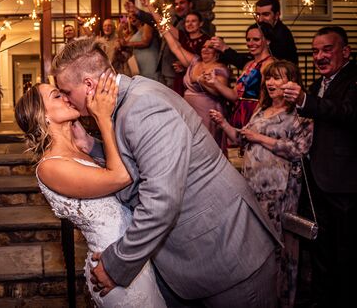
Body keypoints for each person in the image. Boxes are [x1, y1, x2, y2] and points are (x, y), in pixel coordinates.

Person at [52, 38, 279, 307]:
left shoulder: (143, 106)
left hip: (227, 255)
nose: (66, 99)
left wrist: (116, 264)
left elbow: (161, 200)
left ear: (89, 85)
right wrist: (92, 145)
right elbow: (136, 161)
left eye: (66, 91)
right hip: (198, 258)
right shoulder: (128, 99)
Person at [15, 74, 165, 307]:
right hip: (112, 264)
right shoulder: (50, 166)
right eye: (57, 96)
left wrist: (88, 140)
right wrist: (103, 118)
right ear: (42, 115)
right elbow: (121, 176)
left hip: (134, 253)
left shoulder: (79, 149)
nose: (67, 98)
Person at [210, 61, 313, 308]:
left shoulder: (299, 114)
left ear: (292, 82)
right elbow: (242, 139)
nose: (271, 83)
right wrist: (224, 123)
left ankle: (281, 300)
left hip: (280, 192)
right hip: (252, 188)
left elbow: (299, 150)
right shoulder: (261, 108)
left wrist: (260, 138)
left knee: (279, 247)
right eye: (269, 78)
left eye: (278, 78)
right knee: (256, 245)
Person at [281, 26, 357, 308]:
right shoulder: (317, 85)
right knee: (320, 249)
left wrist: (305, 100)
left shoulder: (352, 80)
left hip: (344, 183)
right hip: (318, 180)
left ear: (345, 51)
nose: (319, 56)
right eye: (314, 51)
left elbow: (346, 113)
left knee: (345, 252)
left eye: (327, 49)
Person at [156, 12, 235, 153]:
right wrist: (165, 31)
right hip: (189, 110)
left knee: (206, 146)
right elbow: (176, 47)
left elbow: (219, 91)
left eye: (210, 47)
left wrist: (202, 81)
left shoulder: (220, 69)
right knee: (190, 145)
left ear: (217, 52)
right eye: (204, 47)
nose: (205, 49)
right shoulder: (195, 62)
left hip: (208, 112)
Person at [210, 0, 298, 69]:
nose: (260, 19)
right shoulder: (259, 28)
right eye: (257, 15)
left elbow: (251, 64)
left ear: (277, 15)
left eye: (266, 14)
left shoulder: (282, 35)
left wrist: (225, 49)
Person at [230, 22, 274, 129]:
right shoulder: (249, 64)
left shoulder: (269, 65)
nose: (250, 43)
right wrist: (214, 82)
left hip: (255, 114)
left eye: (256, 39)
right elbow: (234, 94)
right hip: (240, 112)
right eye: (248, 39)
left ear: (267, 41)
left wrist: (252, 121)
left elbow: (264, 100)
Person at [120, 13, 160, 81]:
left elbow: (146, 42)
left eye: (134, 16)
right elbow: (124, 44)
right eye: (130, 17)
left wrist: (127, 44)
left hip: (149, 62)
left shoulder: (147, 25)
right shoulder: (134, 32)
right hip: (138, 65)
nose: (132, 18)